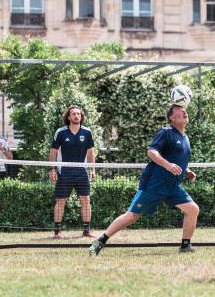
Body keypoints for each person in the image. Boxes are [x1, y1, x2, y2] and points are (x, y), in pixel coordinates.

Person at [89, 104, 199, 256]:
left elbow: (177, 159)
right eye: (179, 111)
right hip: (155, 183)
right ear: (171, 118)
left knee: (193, 209)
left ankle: (185, 245)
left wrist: (186, 171)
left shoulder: (185, 138)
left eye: (185, 111)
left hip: (173, 186)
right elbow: (152, 152)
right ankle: (100, 241)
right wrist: (167, 165)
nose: (184, 112)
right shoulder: (166, 132)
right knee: (132, 216)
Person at [49, 106, 96, 238]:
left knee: (86, 200)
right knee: (61, 201)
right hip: (64, 172)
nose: (76, 116)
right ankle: (57, 232)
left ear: (81, 117)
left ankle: (86, 231)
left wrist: (93, 169)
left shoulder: (87, 132)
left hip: (81, 172)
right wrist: (52, 169)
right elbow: (53, 151)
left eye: (78, 114)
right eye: (73, 114)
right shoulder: (61, 132)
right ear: (68, 117)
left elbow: (91, 152)